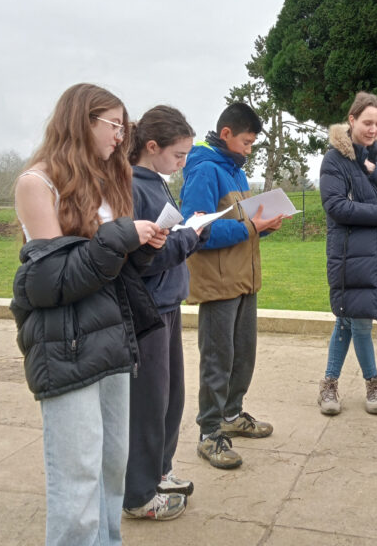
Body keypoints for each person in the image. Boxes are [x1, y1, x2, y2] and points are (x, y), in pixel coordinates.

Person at [11, 83, 167, 546]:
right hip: (65, 344)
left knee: (110, 470)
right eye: (114, 125)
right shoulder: (36, 183)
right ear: (83, 121)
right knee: (77, 480)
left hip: (112, 337)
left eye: (125, 126)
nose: (121, 136)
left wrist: (142, 247)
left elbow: (107, 266)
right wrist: (119, 237)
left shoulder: (107, 180)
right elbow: (47, 282)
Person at [179, 102, 284, 469]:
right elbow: (197, 231)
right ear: (226, 134)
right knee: (217, 360)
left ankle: (231, 415)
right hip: (217, 284)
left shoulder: (237, 173)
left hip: (244, 280)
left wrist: (263, 227)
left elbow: (244, 228)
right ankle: (210, 433)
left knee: (243, 356)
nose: (249, 149)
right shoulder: (204, 170)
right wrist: (252, 227)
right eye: (246, 141)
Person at [123, 106, 208, 520]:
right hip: (149, 309)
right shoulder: (134, 187)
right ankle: (138, 494)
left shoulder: (155, 182)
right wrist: (189, 237)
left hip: (168, 304)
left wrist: (185, 233)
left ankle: (160, 471)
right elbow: (144, 258)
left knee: (171, 398)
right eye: (178, 155)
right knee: (149, 404)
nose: (183, 163)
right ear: (151, 147)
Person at [317, 91, 377, 416]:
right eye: (368, 122)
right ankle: (373, 383)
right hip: (347, 252)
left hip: (376, 252)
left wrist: (376, 170)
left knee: (347, 318)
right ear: (352, 120)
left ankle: (329, 385)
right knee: (358, 321)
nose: (373, 129)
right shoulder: (334, 160)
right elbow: (335, 206)